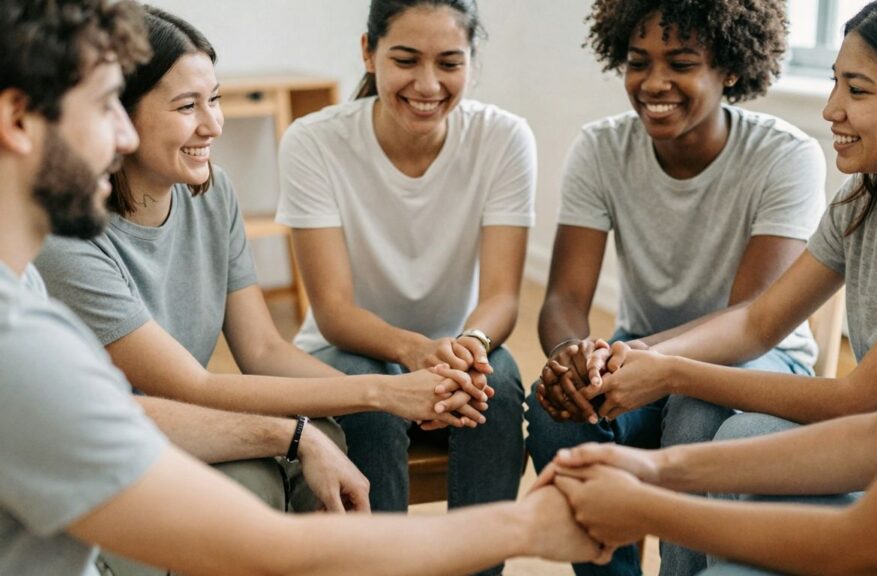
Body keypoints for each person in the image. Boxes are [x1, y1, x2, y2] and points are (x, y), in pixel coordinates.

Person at [0, 1, 607, 574]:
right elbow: (190, 402)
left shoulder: (202, 200)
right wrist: (525, 524)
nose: (125, 137)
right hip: (157, 445)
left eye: (213, 99)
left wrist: (352, 411)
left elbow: (258, 350)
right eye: (108, 107)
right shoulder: (29, 337)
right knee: (278, 470)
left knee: (424, 403)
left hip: (155, 431)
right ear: (18, 119)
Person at [541, 0, 877, 573]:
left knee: (717, 465)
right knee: (737, 437)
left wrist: (649, 497)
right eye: (834, 83)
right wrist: (654, 468)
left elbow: (866, 489)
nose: (831, 110)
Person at [524, 0, 825, 573]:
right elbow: (563, 297)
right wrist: (571, 357)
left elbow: (754, 318)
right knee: (551, 412)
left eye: (682, 63)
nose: (654, 82)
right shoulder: (601, 148)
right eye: (639, 62)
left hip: (760, 360)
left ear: (731, 67)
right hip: (641, 349)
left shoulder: (784, 156)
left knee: (695, 409)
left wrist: (637, 357)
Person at [276, 0, 533, 556]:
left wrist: (469, 346)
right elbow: (334, 311)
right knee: (368, 402)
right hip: (345, 351)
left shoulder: (504, 138)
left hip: (455, 352)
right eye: (406, 59)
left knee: (501, 385)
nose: (428, 83)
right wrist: (412, 351)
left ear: (472, 60)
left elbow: (502, 297)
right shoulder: (313, 141)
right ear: (368, 53)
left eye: (448, 62)